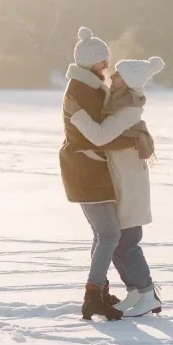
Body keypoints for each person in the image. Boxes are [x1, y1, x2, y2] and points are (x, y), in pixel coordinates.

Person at [68, 57, 165, 318]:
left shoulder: (128, 109)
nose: (112, 77)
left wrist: (76, 115)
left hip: (129, 180)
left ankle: (147, 294)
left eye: (118, 76)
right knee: (120, 240)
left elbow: (100, 135)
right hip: (121, 177)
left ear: (129, 81)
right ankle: (135, 291)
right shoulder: (120, 102)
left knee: (129, 242)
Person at [59, 27, 137, 321]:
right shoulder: (80, 91)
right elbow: (96, 135)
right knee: (109, 234)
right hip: (84, 168)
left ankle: (99, 290)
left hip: (91, 167)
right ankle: (92, 296)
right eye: (103, 61)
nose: (107, 65)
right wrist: (129, 133)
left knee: (103, 232)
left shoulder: (89, 88)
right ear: (91, 62)